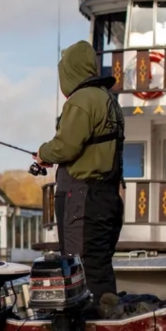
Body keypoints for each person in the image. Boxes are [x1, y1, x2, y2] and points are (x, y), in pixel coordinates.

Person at [33, 40, 125, 311]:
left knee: (79, 263)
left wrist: (43, 153)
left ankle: (89, 329)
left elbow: (65, 146)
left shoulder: (83, 100)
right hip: (106, 196)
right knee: (99, 262)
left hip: (82, 198)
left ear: (70, 72)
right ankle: (110, 315)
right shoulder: (110, 100)